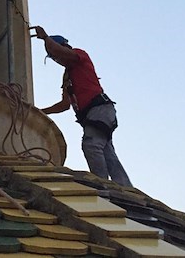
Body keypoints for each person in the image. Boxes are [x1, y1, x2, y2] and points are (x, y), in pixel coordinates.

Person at [33, 26, 132, 187]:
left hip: (99, 109)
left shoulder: (80, 55)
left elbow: (62, 53)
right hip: (95, 113)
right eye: (53, 58)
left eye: (55, 56)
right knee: (106, 151)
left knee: (91, 144)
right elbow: (65, 105)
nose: (57, 60)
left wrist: (45, 39)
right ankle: (124, 188)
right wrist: (40, 112)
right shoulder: (68, 76)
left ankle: (102, 186)